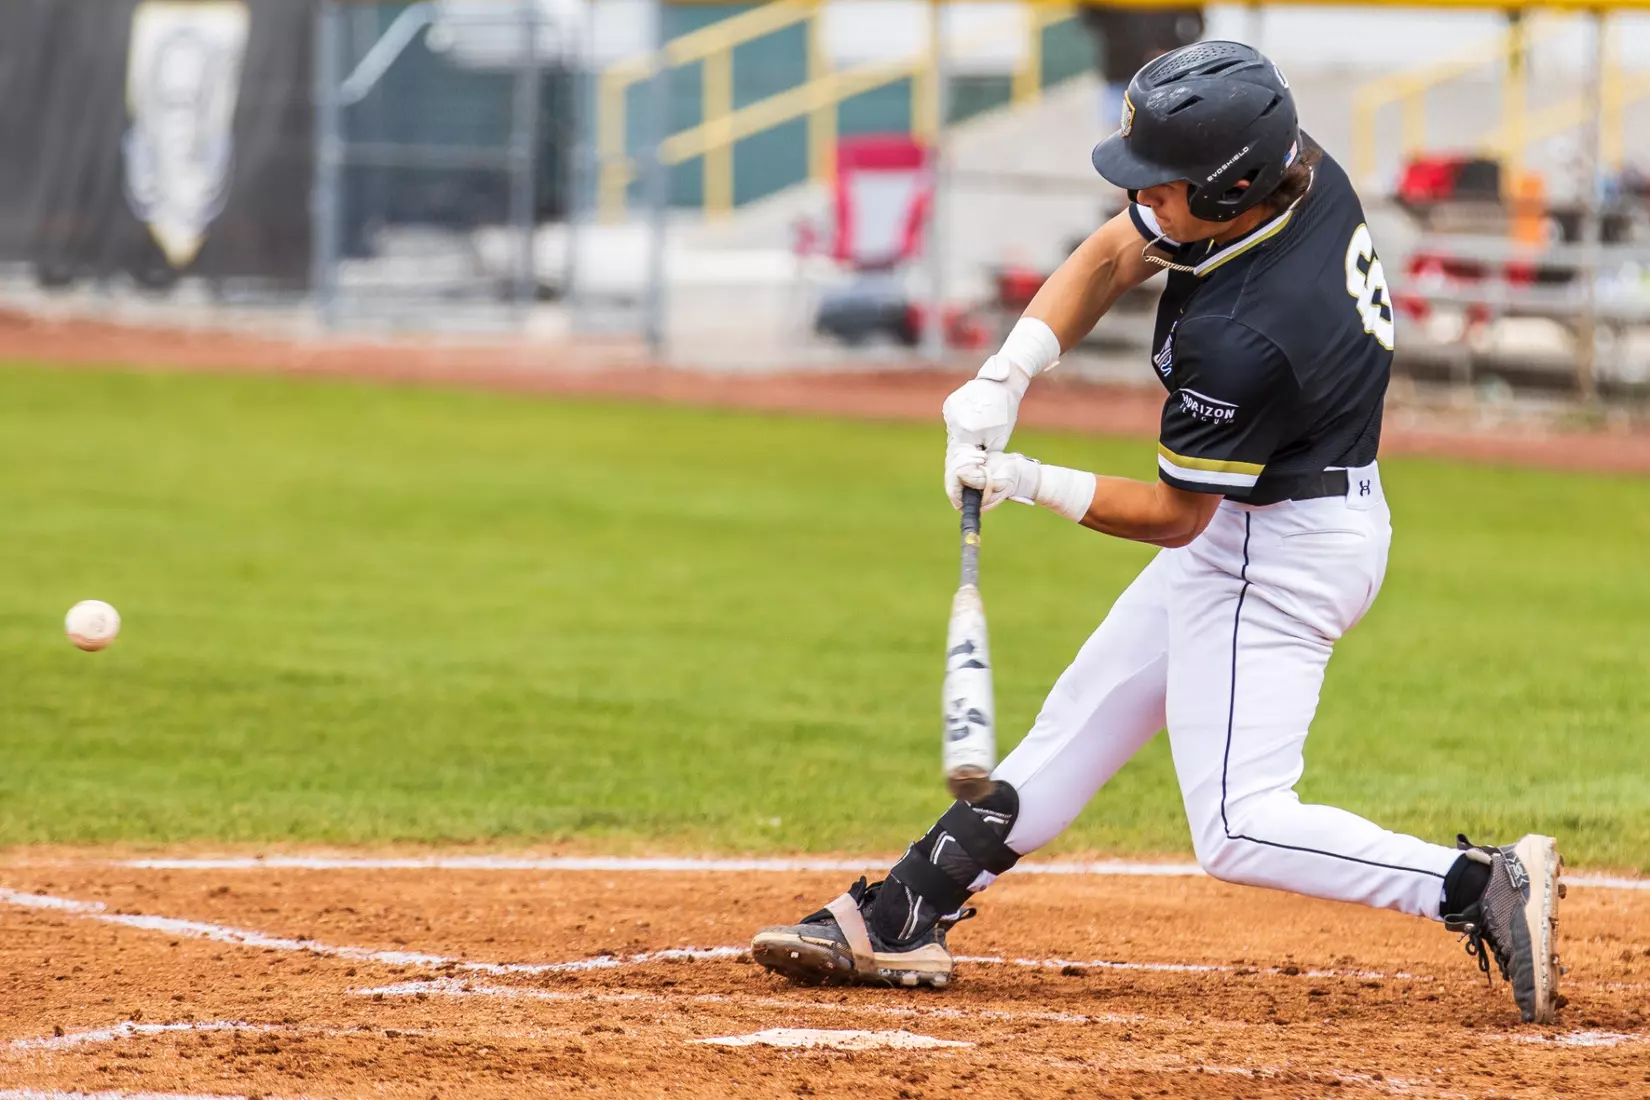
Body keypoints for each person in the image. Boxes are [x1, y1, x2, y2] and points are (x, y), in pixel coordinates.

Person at [750, 41, 1564, 1025]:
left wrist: (1026, 477)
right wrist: (1006, 376)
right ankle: (909, 905)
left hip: (1279, 549)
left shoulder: (1253, 332)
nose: (1149, 201)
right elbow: (1111, 251)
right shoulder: (1285, 169)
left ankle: (1476, 884)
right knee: (1079, 720)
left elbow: (1182, 518)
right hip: (1284, 516)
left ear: (1232, 188)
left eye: (1170, 185)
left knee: (1236, 823)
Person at [1079, 5, 1204, 133]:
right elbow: (1092, 18)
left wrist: (1178, 44)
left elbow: (1195, 21)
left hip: (1170, 66)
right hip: (1121, 69)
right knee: (1120, 133)